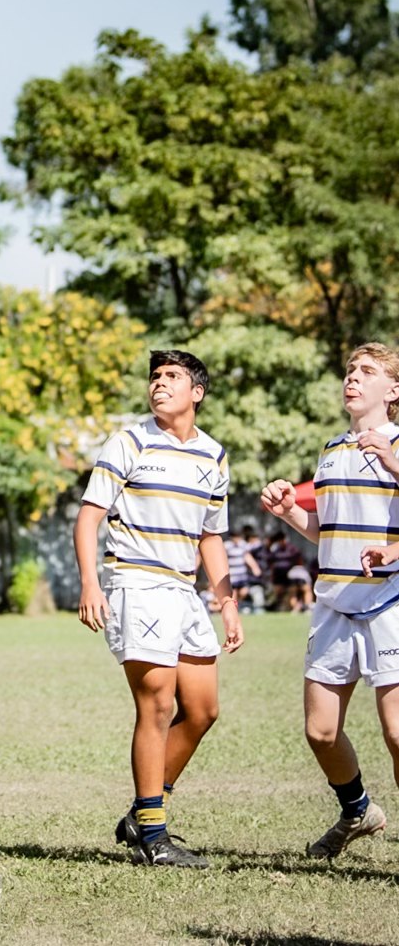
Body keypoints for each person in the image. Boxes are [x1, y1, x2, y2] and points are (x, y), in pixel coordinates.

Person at [75, 350, 243, 868]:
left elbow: (211, 535)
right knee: (158, 706)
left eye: (172, 377)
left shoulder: (214, 455)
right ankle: (154, 833)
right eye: (155, 376)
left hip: (185, 592)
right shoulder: (128, 441)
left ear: (198, 392)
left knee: (203, 710)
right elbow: (88, 519)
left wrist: (227, 601)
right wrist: (89, 584)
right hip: (136, 584)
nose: (159, 384)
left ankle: (142, 812)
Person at [260, 342, 399, 859]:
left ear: (394, 391)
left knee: (398, 733)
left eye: (367, 372)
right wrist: (289, 514)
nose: (353, 379)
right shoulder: (331, 450)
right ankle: (359, 810)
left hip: (391, 604)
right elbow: (329, 531)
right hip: (334, 605)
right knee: (320, 732)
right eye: (350, 371)